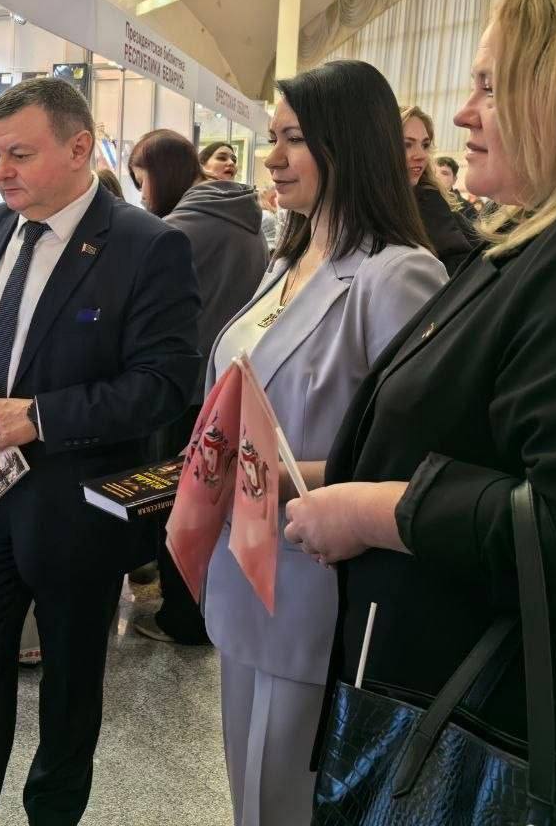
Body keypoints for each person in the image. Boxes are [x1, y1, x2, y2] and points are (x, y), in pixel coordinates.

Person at [285, 0, 556, 805]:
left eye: (489, 85)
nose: (462, 114)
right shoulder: (524, 246)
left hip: (482, 727)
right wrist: (326, 475)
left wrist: (369, 510)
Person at [0, 78, 201, 826]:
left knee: (70, 693)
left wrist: (41, 417)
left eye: (19, 154)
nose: (1, 172)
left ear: (79, 148)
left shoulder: (148, 246)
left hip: (78, 512)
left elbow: (164, 385)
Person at [196, 61, 446, 826]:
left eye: (294, 139)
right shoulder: (288, 260)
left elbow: (415, 462)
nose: (272, 157)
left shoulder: (396, 276)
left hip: (315, 588)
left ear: (349, 143)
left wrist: (279, 473)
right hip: (243, 574)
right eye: (272, 137)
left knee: (286, 799)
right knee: (251, 793)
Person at [127, 128, 268, 645]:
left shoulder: (176, 230)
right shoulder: (245, 218)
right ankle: (204, 611)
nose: (142, 193)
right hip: (233, 384)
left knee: (178, 502)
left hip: (185, 388)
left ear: (161, 174)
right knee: (213, 500)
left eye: (142, 180)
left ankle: (181, 617)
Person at [401, 105, 477, 273]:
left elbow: (458, 267)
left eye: (425, 145)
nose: (421, 155)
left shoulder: (428, 201)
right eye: (407, 145)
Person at [436, 154, 480, 222]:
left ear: (454, 180)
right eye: (433, 172)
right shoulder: (421, 202)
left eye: (444, 173)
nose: (436, 176)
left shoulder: (466, 208)